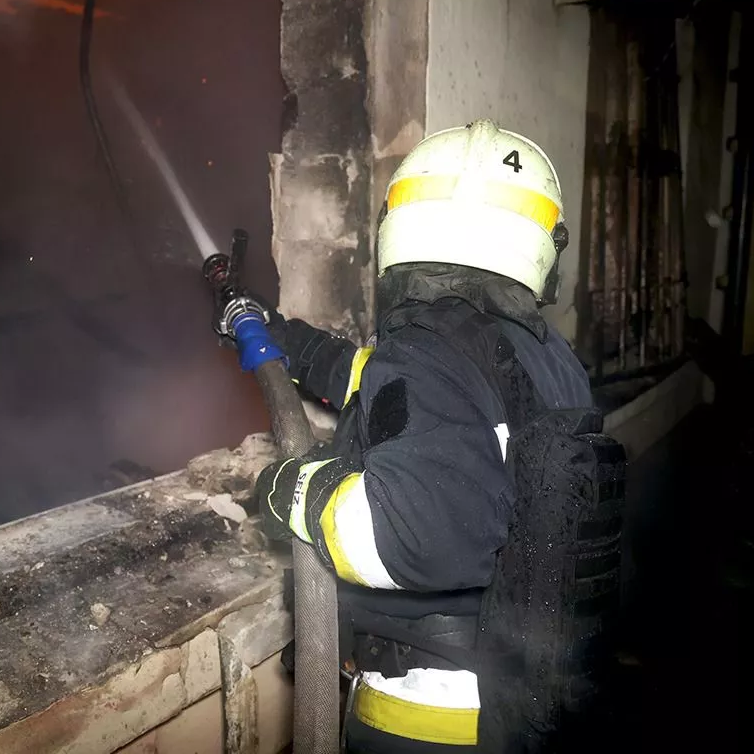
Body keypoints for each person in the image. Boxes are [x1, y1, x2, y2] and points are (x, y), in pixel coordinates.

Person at [256, 120, 623, 751]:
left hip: (425, 720)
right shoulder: (544, 356)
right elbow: (390, 390)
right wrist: (284, 340)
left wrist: (296, 490)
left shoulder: (426, 350)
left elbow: (413, 536)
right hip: (520, 701)